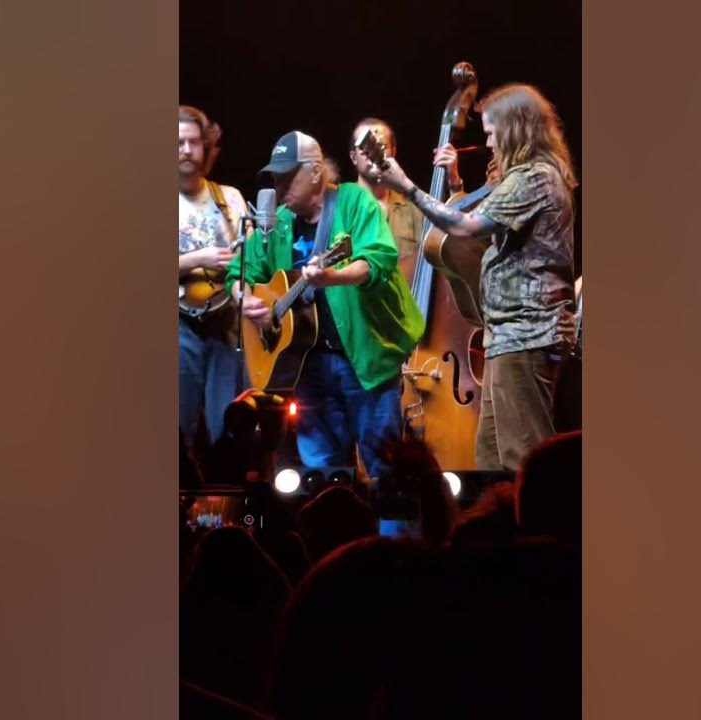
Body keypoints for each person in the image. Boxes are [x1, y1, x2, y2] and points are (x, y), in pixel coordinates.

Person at [366, 84, 579, 472]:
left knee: (523, 458)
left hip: (526, 334)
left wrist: (408, 189)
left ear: (514, 129)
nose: (489, 142)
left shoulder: (535, 178)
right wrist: (453, 185)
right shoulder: (525, 178)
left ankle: (536, 515)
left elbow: (464, 226)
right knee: (491, 459)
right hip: (507, 335)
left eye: (493, 132)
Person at [226, 131, 425, 482]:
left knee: (384, 469)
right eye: (275, 178)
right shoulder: (278, 223)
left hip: (365, 360)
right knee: (320, 473)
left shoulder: (353, 202)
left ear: (316, 171)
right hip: (307, 366)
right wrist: (246, 300)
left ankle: (389, 520)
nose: (279, 186)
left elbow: (376, 260)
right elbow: (239, 271)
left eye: (288, 176)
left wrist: (331, 276)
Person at [178, 105, 247, 454]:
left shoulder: (229, 198)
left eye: (194, 142)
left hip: (226, 325)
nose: (186, 150)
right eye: (178, 143)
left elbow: (253, 261)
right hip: (178, 328)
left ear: (206, 147)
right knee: (177, 428)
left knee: (230, 426)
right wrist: (197, 259)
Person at [347, 119, 426, 265]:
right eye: (365, 147)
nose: (373, 153)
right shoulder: (340, 203)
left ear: (393, 152)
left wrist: (454, 185)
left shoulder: (414, 207)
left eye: (381, 146)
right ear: (353, 157)